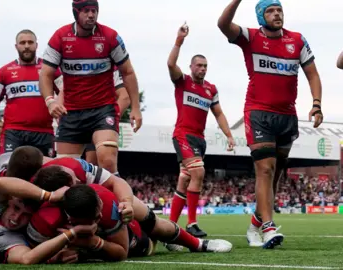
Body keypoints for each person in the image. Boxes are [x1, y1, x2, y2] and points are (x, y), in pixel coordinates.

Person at [217, 0, 323, 248]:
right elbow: (222, 24)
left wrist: (316, 103)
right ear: (260, 16)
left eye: (279, 10)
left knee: (274, 177)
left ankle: (256, 220)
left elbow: (313, 74)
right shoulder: (250, 37)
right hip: (258, 113)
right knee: (264, 170)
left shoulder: (297, 40)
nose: (277, 14)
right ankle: (268, 226)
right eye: (270, 11)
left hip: (287, 116)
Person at [39, 0, 143, 177]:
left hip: (102, 110)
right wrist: (50, 101)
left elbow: (128, 72)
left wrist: (135, 107)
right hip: (71, 113)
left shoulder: (110, 37)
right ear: (75, 13)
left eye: (94, 10)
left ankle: (118, 203)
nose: (91, 15)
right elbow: (45, 74)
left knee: (107, 160)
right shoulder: (60, 37)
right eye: (86, 11)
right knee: (64, 172)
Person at [26, 183, 232, 264]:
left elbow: (120, 252)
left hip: (127, 230)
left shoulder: (105, 202)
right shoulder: (46, 218)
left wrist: (92, 243)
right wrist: (68, 241)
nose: (97, 219)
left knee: (152, 226)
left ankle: (197, 244)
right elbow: (33, 257)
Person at [167, 23, 235, 239]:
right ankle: (192, 223)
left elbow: (219, 113)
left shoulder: (210, 89)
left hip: (199, 139)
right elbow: (170, 63)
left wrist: (229, 134)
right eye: (199, 65)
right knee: (198, 172)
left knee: (185, 180)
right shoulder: (183, 82)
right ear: (191, 67)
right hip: (183, 135)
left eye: (205, 66)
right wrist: (179, 40)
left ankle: (169, 227)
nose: (202, 69)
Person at [0, 29, 63, 158]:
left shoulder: (50, 69)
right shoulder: (4, 72)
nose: (26, 46)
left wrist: (62, 118)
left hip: (43, 132)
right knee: (12, 172)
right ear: (16, 46)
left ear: (36, 45)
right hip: (14, 133)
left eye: (30, 42)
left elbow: (65, 92)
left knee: (44, 174)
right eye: (22, 43)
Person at [84, 66, 131, 166]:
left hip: (98, 123)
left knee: (98, 165)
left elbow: (125, 97)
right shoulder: (69, 61)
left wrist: (108, 120)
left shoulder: (111, 66)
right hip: (75, 120)